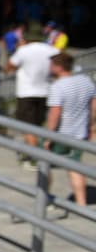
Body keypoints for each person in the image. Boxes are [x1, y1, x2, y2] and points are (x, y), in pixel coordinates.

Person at [45, 51, 94, 217]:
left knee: (44, 165)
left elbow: (55, 113)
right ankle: (81, 203)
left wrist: (49, 136)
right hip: (79, 133)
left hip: (61, 134)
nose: (49, 69)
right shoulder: (85, 81)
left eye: (51, 66)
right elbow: (94, 105)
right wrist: (91, 126)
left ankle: (45, 198)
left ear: (58, 67)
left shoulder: (58, 86)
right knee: (75, 167)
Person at [6, 31, 58, 167]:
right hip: (45, 91)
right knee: (38, 125)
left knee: (27, 126)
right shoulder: (52, 50)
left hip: (26, 92)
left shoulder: (24, 50)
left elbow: (10, 65)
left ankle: (34, 158)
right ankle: (38, 153)